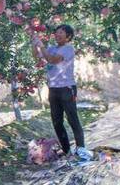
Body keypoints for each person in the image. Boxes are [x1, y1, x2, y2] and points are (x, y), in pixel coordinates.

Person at [31, 24, 93, 161]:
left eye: (61, 33)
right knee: (57, 122)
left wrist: (41, 46)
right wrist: (34, 43)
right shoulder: (52, 48)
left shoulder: (68, 49)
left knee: (73, 120)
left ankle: (81, 151)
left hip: (67, 89)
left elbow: (52, 60)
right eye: (57, 32)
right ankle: (67, 152)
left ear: (68, 37)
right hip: (53, 89)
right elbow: (37, 57)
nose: (57, 34)